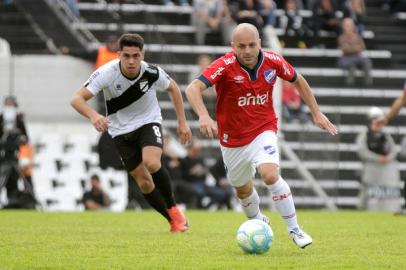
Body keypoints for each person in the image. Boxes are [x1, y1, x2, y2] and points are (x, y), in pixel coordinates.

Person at [185, 23, 338, 248]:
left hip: (263, 129)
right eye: (241, 46)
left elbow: (298, 80)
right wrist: (204, 116)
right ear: (232, 46)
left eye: (252, 45)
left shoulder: (273, 61)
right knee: (242, 189)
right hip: (232, 139)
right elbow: (193, 88)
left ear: (259, 43)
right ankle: (257, 222)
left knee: (269, 175)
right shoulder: (224, 65)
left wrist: (316, 112)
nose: (247, 51)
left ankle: (295, 230)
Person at [70, 33, 192, 233]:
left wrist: (182, 123)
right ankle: (172, 220)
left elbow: (174, 89)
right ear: (119, 55)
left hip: (148, 121)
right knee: (144, 182)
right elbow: (76, 99)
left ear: (142, 55)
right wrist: (93, 115)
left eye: (136, 56)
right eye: (126, 56)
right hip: (120, 131)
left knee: (152, 162)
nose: (131, 61)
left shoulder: (152, 72)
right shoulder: (106, 73)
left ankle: (173, 207)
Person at [355, 107, 402, 212]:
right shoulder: (364, 136)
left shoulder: (386, 136)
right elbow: (362, 151)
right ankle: (362, 209)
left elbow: (393, 150)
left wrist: (387, 158)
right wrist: (378, 158)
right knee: (367, 191)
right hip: (370, 170)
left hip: (384, 172)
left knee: (385, 192)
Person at [337, 17, 372, 86]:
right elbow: (345, 49)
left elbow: (362, 47)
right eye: (347, 26)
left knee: (367, 63)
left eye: (350, 25)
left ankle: (368, 84)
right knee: (351, 66)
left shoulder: (358, 37)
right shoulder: (341, 37)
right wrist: (355, 47)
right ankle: (350, 84)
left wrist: (351, 47)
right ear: (343, 27)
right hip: (347, 58)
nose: (348, 28)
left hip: (358, 57)